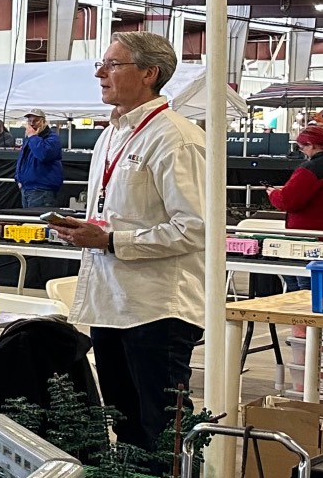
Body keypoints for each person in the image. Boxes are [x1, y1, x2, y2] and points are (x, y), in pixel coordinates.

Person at [46, 31, 205, 451]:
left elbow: (195, 228)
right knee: (125, 425)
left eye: (113, 64)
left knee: (163, 431)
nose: (100, 73)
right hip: (110, 303)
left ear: (150, 73)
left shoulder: (177, 139)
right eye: (101, 64)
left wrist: (111, 241)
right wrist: (85, 232)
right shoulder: (111, 135)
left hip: (157, 309)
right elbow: (118, 215)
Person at [265, 124, 323, 232]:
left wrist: (273, 194)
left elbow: (288, 202)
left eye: (301, 148)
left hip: (307, 233)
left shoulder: (309, 169)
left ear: (310, 145)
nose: (302, 151)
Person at [14, 109, 66, 210]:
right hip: (27, 188)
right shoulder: (30, 139)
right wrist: (18, 179)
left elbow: (43, 155)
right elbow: (22, 159)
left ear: (44, 122)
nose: (32, 124)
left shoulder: (52, 139)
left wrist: (33, 137)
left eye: (36, 121)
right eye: (30, 121)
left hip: (42, 190)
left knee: (37, 219)